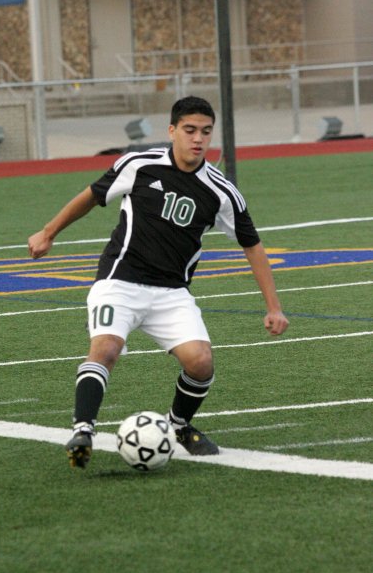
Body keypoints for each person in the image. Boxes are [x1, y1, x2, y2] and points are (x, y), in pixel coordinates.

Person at [28, 96, 289, 469]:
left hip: (171, 292)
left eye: (205, 132)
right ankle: (83, 430)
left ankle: (178, 426)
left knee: (200, 362)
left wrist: (274, 307)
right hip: (119, 280)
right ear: (172, 131)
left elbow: (253, 245)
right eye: (189, 130)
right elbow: (91, 196)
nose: (198, 139)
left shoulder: (220, 191)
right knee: (105, 349)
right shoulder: (140, 164)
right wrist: (49, 232)